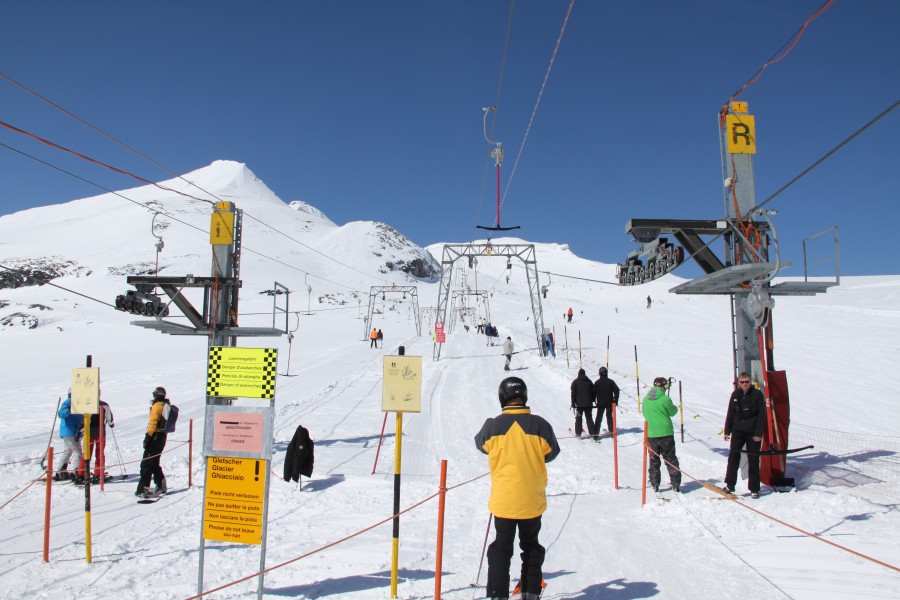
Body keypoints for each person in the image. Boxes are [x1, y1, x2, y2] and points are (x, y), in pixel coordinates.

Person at [474, 377, 560, 600]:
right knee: (531, 546)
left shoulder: (492, 425)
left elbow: (481, 445)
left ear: (502, 397)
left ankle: (497, 594)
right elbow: (552, 453)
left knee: (501, 547)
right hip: (532, 498)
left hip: (504, 500)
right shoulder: (540, 424)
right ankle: (531, 593)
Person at [723, 372, 767, 498]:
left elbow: (761, 416)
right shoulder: (735, 395)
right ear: (739, 383)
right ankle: (730, 484)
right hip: (738, 431)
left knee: (753, 459)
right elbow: (730, 413)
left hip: (752, 432)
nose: (745, 384)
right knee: (733, 457)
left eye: (747, 382)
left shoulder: (757, 395)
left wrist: (758, 433)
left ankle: (754, 489)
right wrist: (727, 430)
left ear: (750, 382)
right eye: (742, 382)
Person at [641, 377, 681, 493]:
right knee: (670, 458)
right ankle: (676, 483)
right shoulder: (665, 399)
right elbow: (673, 412)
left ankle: (654, 483)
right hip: (666, 432)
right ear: (663, 386)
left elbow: (644, 413)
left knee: (654, 459)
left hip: (652, 433)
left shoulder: (646, 399)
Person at [136, 386, 170, 497]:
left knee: (146, 464)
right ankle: (161, 484)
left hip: (154, 437)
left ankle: (144, 489)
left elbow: (152, 423)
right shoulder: (166, 405)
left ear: (155, 395)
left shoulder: (157, 406)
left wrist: (148, 437)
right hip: (162, 437)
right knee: (154, 462)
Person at [78, 399, 114, 483]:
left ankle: (81, 474)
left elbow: (85, 419)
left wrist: (81, 430)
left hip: (89, 432)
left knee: (87, 453)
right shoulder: (104, 404)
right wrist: (111, 423)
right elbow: (109, 417)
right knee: (100, 453)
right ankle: (98, 474)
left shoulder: (88, 404)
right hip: (100, 432)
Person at [54, 391, 84, 482]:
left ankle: (61, 471)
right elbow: (61, 414)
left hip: (70, 431)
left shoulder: (77, 402)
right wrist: (68, 410)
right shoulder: (69, 402)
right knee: (77, 451)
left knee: (68, 451)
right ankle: (76, 471)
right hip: (69, 431)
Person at [570, 368, 598, 439]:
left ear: (578, 374)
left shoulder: (575, 382)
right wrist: (592, 400)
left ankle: (578, 433)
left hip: (579, 405)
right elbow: (593, 392)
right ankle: (592, 433)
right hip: (588, 404)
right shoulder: (589, 382)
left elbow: (573, 393)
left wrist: (573, 403)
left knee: (579, 418)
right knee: (589, 418)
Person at [593, 367, 620, 434]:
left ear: (600, 373)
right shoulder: (611, 381)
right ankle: (611, 431)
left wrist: (594, 400)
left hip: (600, 403)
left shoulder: (597, 382)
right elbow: (617, 390)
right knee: (609, 417)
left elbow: (593, 392)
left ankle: (596, 433)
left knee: (599, 418)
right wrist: (615, 400)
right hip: (609, 403)